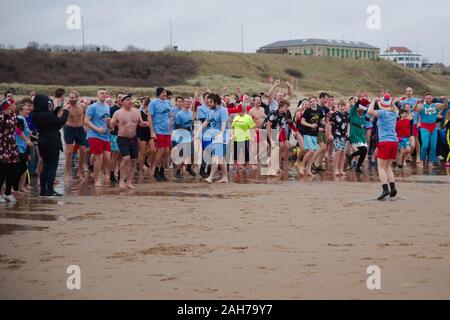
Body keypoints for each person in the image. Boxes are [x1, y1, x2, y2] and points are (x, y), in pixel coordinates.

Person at [32, 94, 69, 198]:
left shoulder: (35, 114)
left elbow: (51, 119)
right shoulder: (47, 115)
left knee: (45, 167)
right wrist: (66, 112)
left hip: (42, 141)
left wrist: (57, 109)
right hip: (52, 141)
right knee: (52, 167)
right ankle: (50, 191)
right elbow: (60, 122)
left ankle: (43, 191)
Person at [110, 94, 149, 189]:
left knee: (134, 160)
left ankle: (129, 182)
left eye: (131, 99)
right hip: (122, 138)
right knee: (126, 158)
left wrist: (144, 124)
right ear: (122, 102)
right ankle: (121, 181)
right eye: (127, 100)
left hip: (134, 139)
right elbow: (112, 126)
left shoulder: (136, 112)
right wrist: (108, 123)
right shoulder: (118, 113)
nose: (130, 101)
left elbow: (140, 123)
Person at [368, 94, 399, 201]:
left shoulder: (382, 113)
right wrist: (392, 103)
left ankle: (385, 189)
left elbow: (369, 111)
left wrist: (373, 101)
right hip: (394, 142)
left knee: (381, 167)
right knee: (388, 167)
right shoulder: (394, 113)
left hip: (384, 141)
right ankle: (393, 188)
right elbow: (395, 108)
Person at [84, 88, 112, 187]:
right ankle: (96, 180)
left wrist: (109, 124)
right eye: (102, 93)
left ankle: (101, 174)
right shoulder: (92, 107)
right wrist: (97, 129)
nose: (104, 95)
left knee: (107, 158)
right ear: (97, 95)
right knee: (98, 158)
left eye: (105, 93)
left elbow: (107, 120)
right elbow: (86, 121)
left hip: (106, 136)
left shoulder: (107, 106)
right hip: (94, 135)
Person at [202, 93, 229, 183]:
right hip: (213, 137)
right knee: (221, 159)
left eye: (210, 102)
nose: (208, 104)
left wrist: (220, 134)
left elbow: (224, 123)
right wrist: (198, 131)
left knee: (215, 157)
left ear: (215, 102)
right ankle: (225, 177)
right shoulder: (211, 112)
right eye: (207, 102)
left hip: (221, 137)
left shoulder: (223, 110)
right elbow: (206, 122)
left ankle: (210, 177)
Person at [0, 98, 23, 203]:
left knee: (13, 169)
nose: (15, 105)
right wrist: (4, 117)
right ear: (8, 106)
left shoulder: (14, 115)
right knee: (3, 169)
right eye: (13, 104)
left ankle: (8, 193)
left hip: (12, 146)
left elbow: (17, 128)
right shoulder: (1, 116)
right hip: (2, 146)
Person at [149, 87, 173, 182]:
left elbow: (170, 115)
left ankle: (162, 171)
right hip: (158, 130)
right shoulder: (154, 103)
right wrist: (152, 131)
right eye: (163, 92)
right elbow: (150, 117)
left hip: (167, 130)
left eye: (165, 92)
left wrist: (171, 124)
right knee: (161, 151)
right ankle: (156, 171)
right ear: (158, 93)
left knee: (167, 151)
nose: (165, 94)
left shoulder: (168, 103)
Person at [415, 94, 445, 168]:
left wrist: (445, 101)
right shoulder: (422, 105)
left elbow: (444, 106)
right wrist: (417, 103)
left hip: (433, 127)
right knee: (425, 145)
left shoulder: (435, 105)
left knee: (433, 146)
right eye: (427, 98)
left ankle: (431, 162)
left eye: (430, 98)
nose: (428, 99)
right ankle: (421, 160)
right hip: (424, 127)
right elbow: (417, 109)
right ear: (425, 99)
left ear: (432, 99)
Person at [63, 91, 87, 182]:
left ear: (77, 98)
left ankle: (79, 172)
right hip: (69, 129)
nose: (71, 99)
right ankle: (67, 174)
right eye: (70, 97)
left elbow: (85, 115)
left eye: (73, 97)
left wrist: (85, 125)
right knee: (69, 153)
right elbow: (61, 118)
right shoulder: (67, 107)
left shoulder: (83, 106)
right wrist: (66, 110)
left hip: (80, 129)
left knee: (83, 151)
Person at [173, 97, 196, 179]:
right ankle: (178, 171)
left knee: (193, 154)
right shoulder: (179, 114)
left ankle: (189, 167)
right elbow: (176, 126)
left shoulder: (191, 113)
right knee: (183, 155)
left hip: (190, 136)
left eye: (190, 102)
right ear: (182, 103)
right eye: (187, 102)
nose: (188, 103)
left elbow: (192, 124)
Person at [300, 97, 322, 176]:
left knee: (313, 152)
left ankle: (308, 169)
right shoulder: (307, 111)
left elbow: (320, 120)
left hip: (315, 134)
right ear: (310, 103)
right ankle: (302, 166)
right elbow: (302, 122)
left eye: (314, 101)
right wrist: (311, 125)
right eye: (311, 101)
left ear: (317, 102)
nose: (313, 102)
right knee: (311, 151)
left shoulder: (319, 111)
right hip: (307, 133)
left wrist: (325, 125)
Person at [14, 103, 33, 193]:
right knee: (21, 167)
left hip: (23, 147)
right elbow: (19, 132)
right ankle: (16, 188)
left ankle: (19, 187)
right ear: (20, 111)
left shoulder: (23, 118)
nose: (28, 111)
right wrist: (27, 140)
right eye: (26, 109)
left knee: (23, 167)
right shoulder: (20, 119)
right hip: (19, 147)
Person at [232, 102, 256, 169]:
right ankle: (237, 164)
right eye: (238, 111)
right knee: (236, 151)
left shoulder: (248, 117)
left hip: (245, 138)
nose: (238, 112)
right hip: (236, 137)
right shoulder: (236, 117)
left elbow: (252, 127)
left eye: (240, 111)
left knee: (245, 151)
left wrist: (253, 137)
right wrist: (232, 134)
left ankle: (247, 164)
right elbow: (233, 127)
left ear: (243, 110)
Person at [348, 97, 369, 173]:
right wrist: (360, 100)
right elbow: (356, 105)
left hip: (361, 135)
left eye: (363, 109)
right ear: (358, 108)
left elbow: (367, 107)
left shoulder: (363, 114)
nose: (363, 110)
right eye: (361, 109)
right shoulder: (353, 113)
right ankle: (351, 156)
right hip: (354, 134)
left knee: (364, 151)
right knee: (363, 149)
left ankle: (358, 167)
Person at [330, 100, 350, 176]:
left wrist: (348, 132)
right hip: (336, 134)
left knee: (343, 152)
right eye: (340, 106)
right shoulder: (334, 114)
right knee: (338, 151)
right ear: (338, 106)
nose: (342, 107)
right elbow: (330, 125)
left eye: (343, 105)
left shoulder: (347, 114)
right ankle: (335, 170)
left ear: (345, 106)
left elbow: (348, 124)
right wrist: (330, 134)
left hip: (344, 135)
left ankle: (341, 170)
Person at [109, 92, 125, 183]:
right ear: (116, 98)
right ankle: (111, 174)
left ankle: (120, 174)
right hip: (114, 134)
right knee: (115, 155)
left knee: (122, 156)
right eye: (119, 97)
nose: (120, 99)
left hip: (124, 135)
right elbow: (110, 122)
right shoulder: (112, 109)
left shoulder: (127, 109)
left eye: (122, 98)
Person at [137, 98, 156, 173]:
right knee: (142, 152)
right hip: (141, 134)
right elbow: (137, 123)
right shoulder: (140, 113)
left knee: (153, 150)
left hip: (150, 134)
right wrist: (142, 124)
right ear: (146, 105)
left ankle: (151, 167)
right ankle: (141, 169)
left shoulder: (152, 114)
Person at [313, 92, 331, 172]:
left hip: (324, 130)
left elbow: (328, 118)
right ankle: (311, 163)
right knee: (322, 147)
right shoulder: (316, 107)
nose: (327, 100)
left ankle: (318, 165)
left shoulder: (325, 108)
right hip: (317, 130)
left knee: (324, 149)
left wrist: (327, 126)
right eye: (326, 98)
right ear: (321, 98)